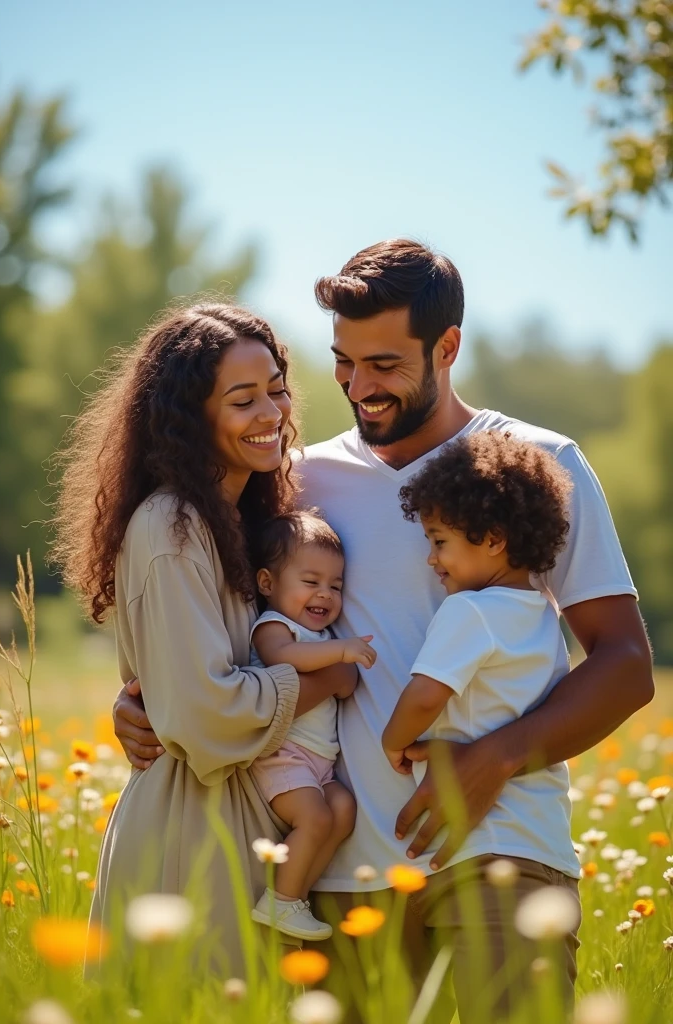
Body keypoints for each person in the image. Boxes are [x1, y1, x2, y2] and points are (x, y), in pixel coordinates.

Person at [113, 242, 653, 1017]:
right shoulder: (297, 481)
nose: (358, 387)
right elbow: (216, 618)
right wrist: (142, 700)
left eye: (385, 364)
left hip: (502, 852)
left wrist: (492, 760)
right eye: (343, 361)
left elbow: (626, 662)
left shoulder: (539, 461)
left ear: (448, 348)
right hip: (342, 876)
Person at [50, 302, 357, 973]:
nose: (271, 413)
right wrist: (324, 680)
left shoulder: (248, 523)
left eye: (276, 389)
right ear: (193, 418)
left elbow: (180, 682)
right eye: (242, 400)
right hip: (189, 837)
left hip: (245, 833)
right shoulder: (173, 528)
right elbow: (201, 711)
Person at [382, 431, 581, 1013]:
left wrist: (394, 742)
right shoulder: (543, 616)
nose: (431, 558)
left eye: (439, 541)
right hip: (545, 853)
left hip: (489, 856)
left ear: (492, 539)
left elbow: (425, 696)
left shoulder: (469, 611)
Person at [248, 510, 376, 940]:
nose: (325, 595)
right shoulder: (274, 626)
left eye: (335, 586)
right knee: (317, 818)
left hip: (318, 762)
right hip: (283, 755)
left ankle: (294, 894)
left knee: (343, 811)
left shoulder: (320, 637)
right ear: (268, 584)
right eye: (311, 582)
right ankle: (280, 902)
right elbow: (282, 659)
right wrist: (340, 654)